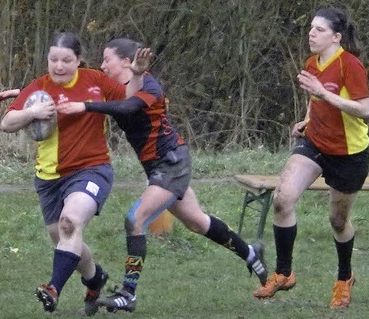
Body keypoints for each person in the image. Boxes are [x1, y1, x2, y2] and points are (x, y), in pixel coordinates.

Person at [56, 37, 268, 313]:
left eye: (107, 59)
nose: (102, 64)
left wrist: (87, 105)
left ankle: (128, 293)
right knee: (197, 222)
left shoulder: (151, 86)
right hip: (159, 167)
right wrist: (25, 94)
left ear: (125, 61)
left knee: (135, 219)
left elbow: (128, 107)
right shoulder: (112, 86)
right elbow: (69, 86)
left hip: (171, 164)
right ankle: (252, 254)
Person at [0, 31, 150, 315]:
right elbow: (7, 123)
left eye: (66, 60)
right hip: (49, 179)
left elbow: (132, 98)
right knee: (64, 238)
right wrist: (33, 113)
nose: (58, 66)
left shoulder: (95, 80)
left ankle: (53, 288)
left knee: (70, 223)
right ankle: (95, 279)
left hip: (92, 169)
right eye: (53, 59)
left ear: (79, 60)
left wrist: (137, 75)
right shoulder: (38, 88)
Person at [251, 8, 369, 309]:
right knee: (282, 199)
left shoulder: (350, 65)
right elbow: (314, 99)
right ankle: (284, 272)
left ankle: (344, 279)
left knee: (337, 220)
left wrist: (323, 94)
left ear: (336, 37)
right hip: (315, 143)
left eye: (319, 30)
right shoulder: (311, 63)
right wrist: (306, 120)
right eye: (311, 28)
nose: (311, 34)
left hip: (349, 154)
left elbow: (364, 109)